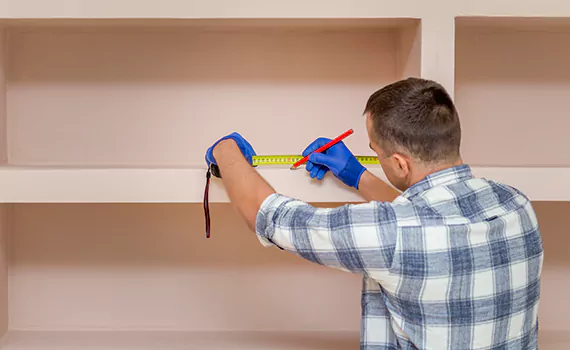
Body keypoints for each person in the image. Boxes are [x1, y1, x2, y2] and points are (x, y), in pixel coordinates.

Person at [205, 77, 543, 349]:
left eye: (375, 152)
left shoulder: (393, 233)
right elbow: (426, 217)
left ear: (398, 163)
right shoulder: (516, 204)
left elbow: (268, 216)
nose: (375, 157)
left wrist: (226, 152)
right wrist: (359, 175)